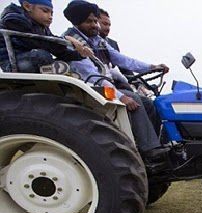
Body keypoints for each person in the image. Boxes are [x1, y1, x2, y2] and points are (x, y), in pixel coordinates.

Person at [62, 0, 169, 163]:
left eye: (95, 21)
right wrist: (121, 97)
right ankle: (149, 150)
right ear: (77, 22)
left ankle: (155, 143)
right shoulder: (74, 44)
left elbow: (123, 60)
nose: (95, 25)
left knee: (149, 103)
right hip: (91, 88)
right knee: (134, 99)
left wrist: (151, 67)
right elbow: (93, 76)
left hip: (104, 84)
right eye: (89, 22)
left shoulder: (98, 40)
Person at [0, 0, 91, 73]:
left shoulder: (41, 27)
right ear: (28, 6)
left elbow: (56, 49)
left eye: (52, 13)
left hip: (30, 58)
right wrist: (65, 39)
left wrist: (80, 54)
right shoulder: (14, 19)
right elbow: (38, 42)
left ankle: (57, 70)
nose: (50, 16)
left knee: (67, 62)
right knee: (41, 55)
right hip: (13, 62)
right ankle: (53, 70)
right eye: (45, 11)